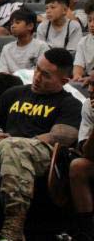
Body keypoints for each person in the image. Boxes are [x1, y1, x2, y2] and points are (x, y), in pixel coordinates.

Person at [0, 48, 82, 241]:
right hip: (5, 150)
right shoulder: (15, 93)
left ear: (63, 81)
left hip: (41, 157)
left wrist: (16, 142)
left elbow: (62, 136)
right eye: (37, 69)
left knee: (13, 148)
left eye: (46, 75)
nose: (37, 77)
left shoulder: (69, 103)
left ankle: (13, 229)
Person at [68, 81, 94, 240]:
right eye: (90, 84)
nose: (90, 89)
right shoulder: (88, 106)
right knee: (78, 167)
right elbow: (88, 153)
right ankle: (86, 230)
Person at [0, 8, 50, 74]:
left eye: (17, 22)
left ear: (30, 26)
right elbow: (1, 73)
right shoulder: (6, 48)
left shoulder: (41, 46)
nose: (13, 26)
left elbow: (42, 72)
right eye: (12, 23)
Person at [73, 0, 94, 82]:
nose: (92, 24)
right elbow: (78, 66)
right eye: (89, 20)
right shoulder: (83, 41)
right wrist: (77, 76)